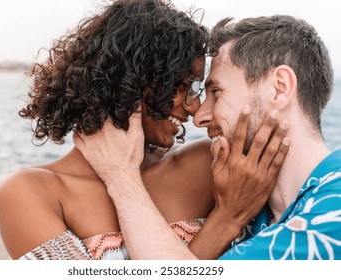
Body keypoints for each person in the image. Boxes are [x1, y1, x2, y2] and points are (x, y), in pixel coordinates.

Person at [74, 15, 341, 260]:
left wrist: (121, 177)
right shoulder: (255, 209)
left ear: (279, 88)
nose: (199, 116)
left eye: (217, 92)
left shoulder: (333, 212)